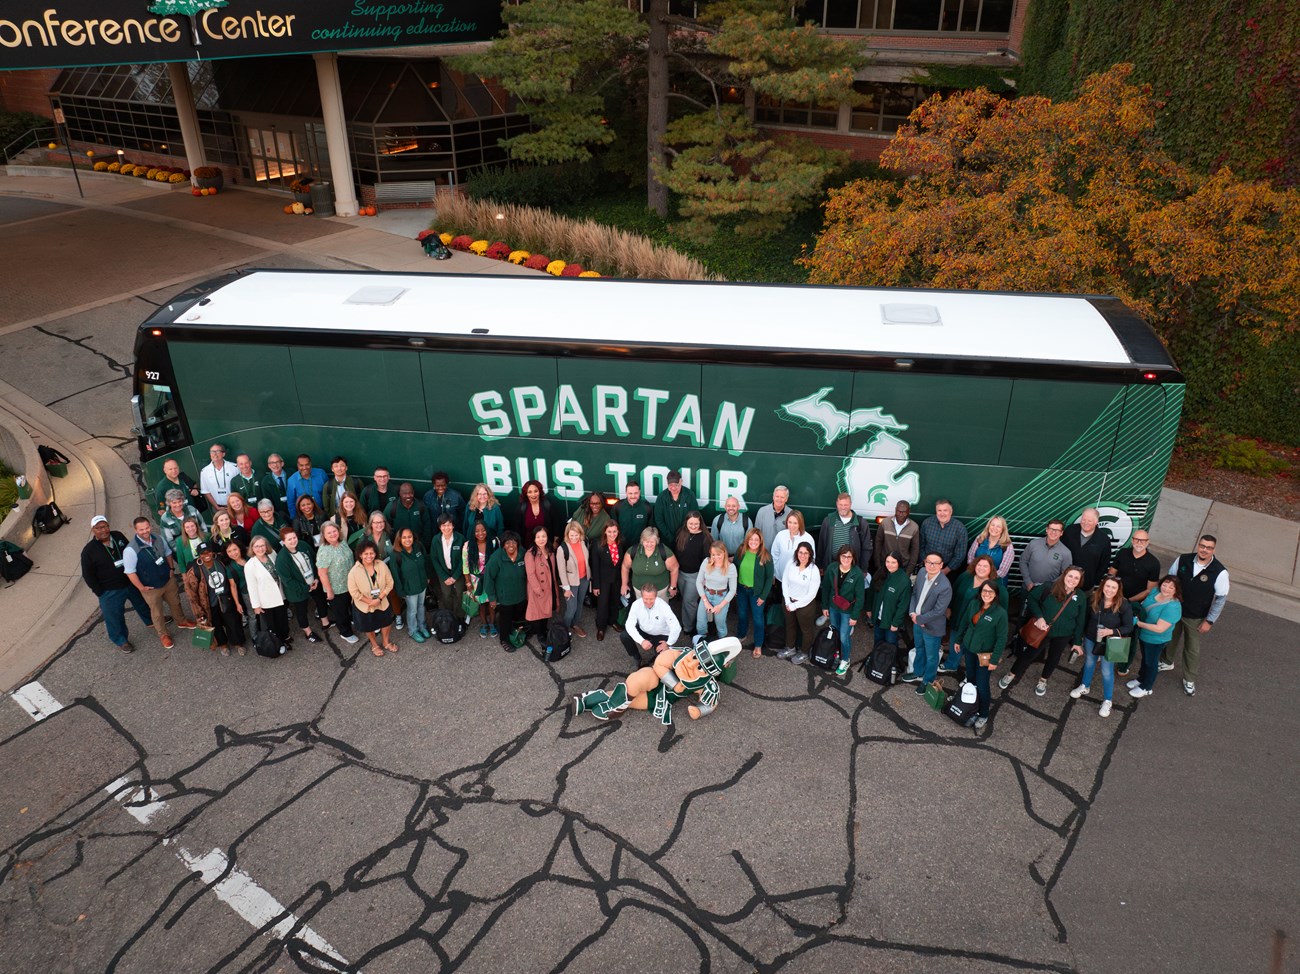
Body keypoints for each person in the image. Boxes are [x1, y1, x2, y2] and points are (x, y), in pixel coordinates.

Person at [1000, 566, 1086, 697]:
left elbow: (1081, 620)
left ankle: (1043, 680)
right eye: (1070, 576)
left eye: (1076, 578)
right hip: (1042, 629)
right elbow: (1032, 598)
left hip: (1064, 634)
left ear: (1080, 581)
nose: (1072, 580)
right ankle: (1011, 674)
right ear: (1064, 575)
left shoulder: (1081, 597)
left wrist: (1077, 641)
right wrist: (1039, 617)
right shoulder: (1049, 587)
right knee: (1029, 654)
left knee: (1054, 657)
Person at [1160, 535, 1229, 697]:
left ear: (1214, 550)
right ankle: (1166, 661)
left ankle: (1189, 678)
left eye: (1209, 547)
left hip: (1196, 617)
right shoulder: (1183, 560)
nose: (1205, 550)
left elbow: (1220, 599)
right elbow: (1170, 579)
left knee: (1192, 648)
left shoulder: (1219, 572)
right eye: (1202, 546)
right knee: (1170, 637)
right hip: (1175, 609)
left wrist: (1209, 621)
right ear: (1198, 546)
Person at [81, 515, 153, 653]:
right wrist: (100, 592)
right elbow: (88, 575)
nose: (103, 530)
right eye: (99, 528)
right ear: (93, 530)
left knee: (143, 603)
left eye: (105, 526)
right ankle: (121, 640)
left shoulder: (118, 536)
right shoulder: (88, 551)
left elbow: (130, 551)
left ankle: (151, 621)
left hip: (129, 582)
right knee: (114, 617)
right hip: (109, 590)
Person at [124, 514, 196, 650]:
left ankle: (181, 621)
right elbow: (130, 572)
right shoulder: (130, 550)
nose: (145, 531)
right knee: (157, 612)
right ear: (135, 530)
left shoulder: (158, 538)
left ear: (150, 526)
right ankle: (163, 635)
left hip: (167, 580)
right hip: (150, 587)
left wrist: (171, 568)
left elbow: (168, 553)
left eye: (147, 528)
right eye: (141, 530)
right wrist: (141, 587)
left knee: (175, 602)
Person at [1069, 575, 1134, 717]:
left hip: (1111, 642)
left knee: (1106, 670)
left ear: (1118, 590)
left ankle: (1107, 700)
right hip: (1091, 637)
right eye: (1107, 586)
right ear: (1102, 586)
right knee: (1089, 662)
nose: (1109, 590)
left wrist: (1111, 631)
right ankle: (1085, 686)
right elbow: (1084, 619)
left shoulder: (1123, 604)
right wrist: (1079, 638)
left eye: (1113, 587)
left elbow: (1129, 627)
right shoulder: (1093, 599)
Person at [953, 582, 1008, 731]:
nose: (987, 594)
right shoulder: (974, 604)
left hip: (984, 655)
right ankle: (970, 705)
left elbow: (1002, 638)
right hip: (969, 649)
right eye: (984, 590)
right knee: (970, 680)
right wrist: (958, 640)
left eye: (991, 591)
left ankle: (983, 714)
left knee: (982, 685)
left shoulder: (1000, 613)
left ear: (996, 594)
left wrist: (995, 660)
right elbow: (964, 622)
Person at [940, 555, 1007, 673]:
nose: (981, 568)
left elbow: (1002, 610)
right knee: (955, 642)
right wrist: (949, 607)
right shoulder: (966, 576)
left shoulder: (997, 585)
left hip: (980, 625)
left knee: (975, 651)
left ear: (991, 568)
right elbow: (954, 591)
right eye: (979, 565)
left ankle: (971, 673)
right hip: (958, 617)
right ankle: (951, 664)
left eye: (985, 566)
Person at [183, 541, 246, 657]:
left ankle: (238, 643)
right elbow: (191, 594)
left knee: (233, 622)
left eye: (209, 552)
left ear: (213, 552)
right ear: (199, 555)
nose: (206, 555)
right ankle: (223, 644)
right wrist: (198, 612)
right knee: (215, 625)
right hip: (209, 603)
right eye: (203, 553)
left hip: (226, 598)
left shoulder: (221, 561)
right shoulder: (195, 570)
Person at [903, 554, 953, 691]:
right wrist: (913, 613)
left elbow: (938, 611)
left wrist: (920, 619)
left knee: (931, 656)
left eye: (935, 563)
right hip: (917, 621)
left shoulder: (945, 586)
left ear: (941, 565)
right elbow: (914, 594)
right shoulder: (921, 573)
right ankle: (918, 672)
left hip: (932, 626)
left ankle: (928, 680)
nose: (931, 566)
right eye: (929, 562)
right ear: (924, 563)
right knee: (919, 648)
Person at [1129, 575, 1183, 698]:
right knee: (1145, 658)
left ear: (1176, 590)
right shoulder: (1155, 591)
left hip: (1156, 639)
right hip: (1144, 635)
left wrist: (1138, 623)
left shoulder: (1173, 606)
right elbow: (1145, 603)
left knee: (1151, 662)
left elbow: (1160, 628)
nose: (1166, 588)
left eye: (1171, 587)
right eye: (1165, 584)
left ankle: (1146, 687)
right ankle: (1141, 678)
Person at [276, 528, 330, 644]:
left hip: (314, 581)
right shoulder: (281, 558)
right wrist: (306, 588)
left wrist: (316, 578)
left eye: (294, 537)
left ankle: (325, 621)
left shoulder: (303, 545)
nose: (293, 541)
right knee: (301, 610)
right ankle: (308, 632)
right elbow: (288, 581)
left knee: (321, 600)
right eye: (289, 539)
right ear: (283, 541)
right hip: (297, 590)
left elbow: (315, 560)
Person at [820, 545, 866, 676]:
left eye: (849, 556)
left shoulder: (857, 574)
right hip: (833, 607)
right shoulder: (832, 568)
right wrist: (824, 606)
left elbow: (860, 597)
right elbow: (826, 588)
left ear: (853, 558)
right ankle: (836, 653)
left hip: (847, 611)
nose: (846, 559)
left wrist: (855, 616)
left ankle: (845, 660)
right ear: (839, 556)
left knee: (843, 636)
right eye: (843, 556)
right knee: (834, 632)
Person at [347, 538, 397, 657]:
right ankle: (374, 645)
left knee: (386, 622)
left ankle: (386, 642)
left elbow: (390, 583)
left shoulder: (381, 565)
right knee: (368, 626)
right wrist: (370, 602)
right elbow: (354, 592)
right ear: (360, 554)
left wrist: (379, 599)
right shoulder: (353, 572)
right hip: (364, 606)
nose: (369, 556)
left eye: (372, 553)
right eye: (366, 554)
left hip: (382, 601)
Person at [315, 522, 360, 644]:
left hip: (350, 583)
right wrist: (329, 591)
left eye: (334, 531)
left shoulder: (343, 542)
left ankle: (352, 621)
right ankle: (345, 632)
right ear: (324, 535)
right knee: (341, 612)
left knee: (350, 607)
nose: (333, 534)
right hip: (336, 587)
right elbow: (322, 573)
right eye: (329, 532)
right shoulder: (324, 551)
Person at [776, 541, 820, 664]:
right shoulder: (791, 563)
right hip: (788, 601)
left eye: (806, 553)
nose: (803, 555)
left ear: (810, 554)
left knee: (806, 630)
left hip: (805, 605)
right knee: (790, 626)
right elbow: (784, 582)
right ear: (797, 553)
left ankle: (805, 652)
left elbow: (812, 594)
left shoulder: (813, 570)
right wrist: (787, 601)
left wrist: (795, 605)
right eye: (800, 552)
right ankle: (790, 648)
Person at [734, 528, 774, 659]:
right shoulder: (741, 551)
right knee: (742, 613)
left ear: (760, 541)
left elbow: (769, 578)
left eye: (756, 539)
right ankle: (741, 635)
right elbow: (733, 569)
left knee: (758, 618)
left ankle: (758, 644)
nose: (753, 542)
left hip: (756, 592)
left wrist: (763, 596)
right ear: (747, 540)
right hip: (741, 589)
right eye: (751, 539)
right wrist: (733, 587)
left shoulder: (765, 555)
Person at [483, 530, 527, 651]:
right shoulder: (497, 557)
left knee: (519, 616)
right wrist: (492, 598)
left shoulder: (523, 553)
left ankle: (517, 633)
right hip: (505, 597)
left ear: (518, 543)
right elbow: (488, 578)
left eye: (513, 542)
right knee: (505, 619)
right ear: (503, 544)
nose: (511, 545)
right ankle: (504, 640)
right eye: (507, 543)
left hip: (521, 595)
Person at [621, 581, 682, 666]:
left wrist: (668, 643)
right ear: (641, 596)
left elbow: (676, 627)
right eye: (646, 599)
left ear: (656, 596)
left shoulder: (664, 607)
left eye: (651, 599)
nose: (648, 602)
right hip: (644, 631)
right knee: (624, 635)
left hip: (661, 634)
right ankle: (636, 657)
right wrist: (641, 641)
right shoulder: (636, 605)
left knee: (662, 663)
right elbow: (629, 625)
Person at [245, 534, 291, 647]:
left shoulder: (272, 555)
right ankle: (278, 643)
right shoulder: (250, 565)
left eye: (262, 545)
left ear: (266, 546)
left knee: (282, 619)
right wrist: (256, 605)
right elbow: (252, 587)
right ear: (252, 548)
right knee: (272, 624)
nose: (260, 549)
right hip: (265, 600)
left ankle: (285, 637)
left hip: (280, 595)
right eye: (256, 546)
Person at [390, 527, 432, 642]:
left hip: (422, 584)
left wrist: (428, 577)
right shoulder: (396, 555)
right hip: (409, 588)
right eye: (404, 537)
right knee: (412, 610)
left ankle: (422, 626)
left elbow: (426, 561)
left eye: (409, 536)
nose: (407, 539)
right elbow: (395, 575)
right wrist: (401, 590)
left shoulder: (418, 547)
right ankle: (413, 630)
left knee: (421, 606)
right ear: (399, 539)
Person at [674, 512, 711, 637]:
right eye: (691, 523)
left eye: (696, 523)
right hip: (680, 573)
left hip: (695, 576)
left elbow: (707, 561)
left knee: (689, 602)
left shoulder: (705, 538)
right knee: (685, 600)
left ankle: (688, 627)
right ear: (686, 523)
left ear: (700, 523)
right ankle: (690, 622)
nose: (693, 526)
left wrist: (704, 579)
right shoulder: (682, 533)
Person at [815, 493, 873, 573]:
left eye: (845, 505)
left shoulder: (860, 523)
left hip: (851, 568)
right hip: (831, 566)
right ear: (836, 504)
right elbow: (821, 544)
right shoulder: (829, 520)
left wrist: (863, 569)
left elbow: (866, 548)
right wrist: (820, 565)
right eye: (840, 505)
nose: (843, 507)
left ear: (850, 505)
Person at [621, 527, 679, 602]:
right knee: (642, 612)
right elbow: (625, 567)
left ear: (657, 541)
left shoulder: (664, 551)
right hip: (639, 592)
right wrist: (624, 584)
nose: (649, 544)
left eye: (652, 542)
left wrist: (673, 587)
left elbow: (675, 568)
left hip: (660, 593)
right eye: (646, 541)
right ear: (642, 541)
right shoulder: (633, 551)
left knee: (660, 613)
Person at [463, 521, 500, 637]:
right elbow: (465, 565)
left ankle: (492, 623)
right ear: (473, 533)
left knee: (492, 603)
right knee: (481, 603)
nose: (481, 533)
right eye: (477, 531)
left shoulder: (494, 542)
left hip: (492, 579)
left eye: (483, 530)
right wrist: (468, 581)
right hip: (476, 580)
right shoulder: (468, 545)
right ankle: (484, 624)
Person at [589, 521, 624, 642]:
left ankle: (613, 621)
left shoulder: (621, 542)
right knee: (602, 604)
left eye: (614, 531)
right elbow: (595, 566)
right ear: (605, 531)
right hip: (603, 580)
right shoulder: (598, 544)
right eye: (609, 531)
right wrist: (596, 585)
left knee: (615, 601)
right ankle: (601, 627)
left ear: (618, 531)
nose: (612, 534)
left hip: (617, 579)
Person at [1062, 508, 1113, 590]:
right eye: (1084, 519)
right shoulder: (1070, 531)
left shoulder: (1104, 540)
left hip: (1086, 585)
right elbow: (1060, 551)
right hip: (1064, 582)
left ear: (1096, 522)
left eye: (1089, 521)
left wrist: (1094, 580)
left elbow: (1104, 563)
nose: (1086, 523)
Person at [867, 552, 910, 648]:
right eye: (887, 561)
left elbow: (903, 605)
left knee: (890, 643)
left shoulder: (904, 581)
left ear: (899, 563)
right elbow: (871, 593)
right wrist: (869, 609)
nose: (889, 565)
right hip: (878, 617)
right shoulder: (880, 573)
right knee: (878, 640)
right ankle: (877, 661)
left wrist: (896, 623)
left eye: (893, 562)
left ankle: (890, 662)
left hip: (891, 621)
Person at [696, 540, 737, 640]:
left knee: (720, 624)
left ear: (724, 553)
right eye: (713, 554)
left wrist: (720, 606)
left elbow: (732, 590)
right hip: (706, 594)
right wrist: (705, 601)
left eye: (719, 554)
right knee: (700, 623)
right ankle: (702, 643)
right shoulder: (706, 562)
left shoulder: (731, 567)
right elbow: (698, 582)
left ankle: (721, 644)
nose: (716, 557)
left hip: (721, 597)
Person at [524, 526, 558, 644]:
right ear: (534, 539)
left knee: (546, 611)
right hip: (537, 589)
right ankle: (540, 634)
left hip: (549, 586)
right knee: (538, 612)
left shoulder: (550, 551)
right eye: (538, 537)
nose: (541, 539)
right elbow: (531, 575)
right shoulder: (530, 554)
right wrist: (538, 590)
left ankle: (544, 630)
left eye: (543, 536)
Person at [918, 499, 968, 578]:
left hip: (947, 570)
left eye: (945, 510)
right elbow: (921, 545)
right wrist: (927, 563)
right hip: (926, 566)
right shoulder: (927, 523)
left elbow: (959, 555)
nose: (942, 514)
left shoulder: (960, 529)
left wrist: (945, 571)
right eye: (939, 510)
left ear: (951, 512)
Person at [1110, 529, 1160, 606]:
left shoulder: (1154, 563)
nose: (1139, 543)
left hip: (1134, 603)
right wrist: (1113, 592)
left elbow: (1149, 590)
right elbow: (1111, 573)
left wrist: (1129, 600)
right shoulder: (1122, 553)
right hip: (1114, 595)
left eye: (1142, 540)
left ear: (1147, 542)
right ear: (1132, 540)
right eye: (1136, 540)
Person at [556, 521, 590, 638]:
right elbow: (561, 570)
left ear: (580, 534)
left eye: (576, 535)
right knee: (571, 608)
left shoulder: (583, 543)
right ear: (567, 535)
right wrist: (566, 588)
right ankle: (564, 630)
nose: (574, 538)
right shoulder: (562, 549)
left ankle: (575, 625)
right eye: (571, 535)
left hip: (584, 579)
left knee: (580, 604)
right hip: (571, 583)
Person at [1019, 520, 1069, 595]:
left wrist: (1051, 586)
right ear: (1047, 530)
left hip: (1049, 591)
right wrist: (1028, 582)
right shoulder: (1033, 544)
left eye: (1057, 530)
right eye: (1051, 529)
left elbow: (1065, 574)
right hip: (1028, 587)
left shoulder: (1066, 552)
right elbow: (1023, 561)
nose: (1053, 532)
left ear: (1061, 533)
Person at [873, 500, 919, 581]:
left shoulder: (914, 527)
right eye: (898, 511)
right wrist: (878, 565)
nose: (901, 514)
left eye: (904, 512)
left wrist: (908, 572)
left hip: (903, 567)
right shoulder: (885, 523)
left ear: (908, 512)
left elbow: (915, 551)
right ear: (895, 510)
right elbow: (878, 543)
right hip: (885, 565)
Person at [430, 514, 466, 614]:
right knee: (446, 594)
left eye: (449, 525)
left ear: (453, 526)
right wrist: (444, 576)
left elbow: (463, 559)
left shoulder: (460, 538)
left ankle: (460, 616)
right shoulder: (436, 540)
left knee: (459, 594)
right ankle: (449, 615)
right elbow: (434, 559)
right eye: (443, 525)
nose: (446, 528)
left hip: (457, 572)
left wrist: (455, 576)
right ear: (440, 527)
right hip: (444, 572)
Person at [653, 470, 698, 544]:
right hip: (667, 540)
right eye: (670, 485)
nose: (673, 488)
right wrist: (669, 536)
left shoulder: (689, 495)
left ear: (681, 481)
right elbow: (659, 520)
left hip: (686, 539)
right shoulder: (662, 497)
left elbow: (695, 516)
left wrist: (684, 535)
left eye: (676, 485)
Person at [223, 539, 254, 645]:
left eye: (235, 549)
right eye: (229, 551)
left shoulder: (249, 558)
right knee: (252, 615)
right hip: (247, 593)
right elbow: (233, 586)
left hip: (259, 589)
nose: (233, 553)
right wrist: (237, 603)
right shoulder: (230, 567)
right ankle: (255, 637)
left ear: (240, 548)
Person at [770, 509, 815, 579]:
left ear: (800, 523)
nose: (791, 525)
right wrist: (774, 573)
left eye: (795, 523)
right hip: (780, 577)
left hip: (798, 579)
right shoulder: (780, 535)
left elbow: (811, 559)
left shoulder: (808, 538)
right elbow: (774, 555)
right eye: (790, 522)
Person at [385, 483, 431, 551]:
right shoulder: (391, 507)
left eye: (410, 493)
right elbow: (386, 527)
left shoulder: (421, 506)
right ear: (400, 493)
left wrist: (425, 545)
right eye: (405, 494)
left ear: (413, 492)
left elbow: (427, 528)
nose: (408, 496)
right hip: (399, 547)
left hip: (418, 546)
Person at [423, 472, 466, 536]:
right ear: (434, 485)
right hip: (434, 532)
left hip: (453, 532)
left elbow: (463, 514)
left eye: (443, 485)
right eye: (438, 486)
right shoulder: (428, 496)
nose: (440, 488)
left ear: (447, 484)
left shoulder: (456, 496)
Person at [613, 480, 653, 545]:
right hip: (622, 546)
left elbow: (651, 529)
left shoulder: (647, 507)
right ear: (626, 493)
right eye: (630, 493)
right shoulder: (618, 506)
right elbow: (612, 527)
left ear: (639, 492)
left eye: (636, 493)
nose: (633, 496)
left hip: (640, 547)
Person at [199, 443, 234, 511]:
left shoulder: (234, 468)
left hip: (234, 506)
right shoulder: (204, 472)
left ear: (223, 454)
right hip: (218, 508)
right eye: (212, 452)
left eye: (217, 451)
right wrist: (216, 507)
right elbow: (206, 491)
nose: (214, 454)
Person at [754, 485, 791, 550]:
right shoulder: (762, 511)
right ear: (773, 497)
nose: (779, 499)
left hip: (781, 553)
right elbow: (756, 534)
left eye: (782, 497)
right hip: (763, 553)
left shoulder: (791, 514)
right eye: (777, 496)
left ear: (786, 499)